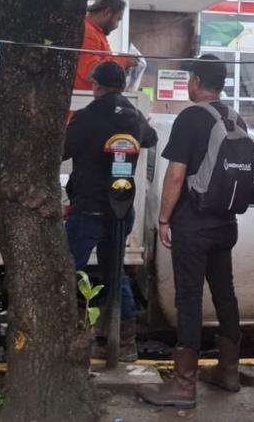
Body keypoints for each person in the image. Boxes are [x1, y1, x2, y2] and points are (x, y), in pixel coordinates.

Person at [140, 54, 247, 409]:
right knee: (224, 294)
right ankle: (228, 371)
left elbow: (175, 174)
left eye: (190, 79)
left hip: (193, 223)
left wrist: (165, 219)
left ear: (198, 82)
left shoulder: (190, 117)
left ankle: (184, 386)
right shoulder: (235, 116)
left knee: (188, 298)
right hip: (224, 222)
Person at [63, 61, 158, 362]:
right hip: (120, 208)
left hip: (88, 207)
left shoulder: (87, 117)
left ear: (97, 86)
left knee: (66, 270)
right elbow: (151, 139)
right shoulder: (134, 116)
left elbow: (62, 150)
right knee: (115, 273)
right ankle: (125, 343)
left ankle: (67, 332)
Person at [74, 0, 137, 91]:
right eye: (118, 19)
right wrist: (122, 62)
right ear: (107, 12)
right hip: (84, 99)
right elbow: (90, 72)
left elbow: (104, 63)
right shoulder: (88, 32)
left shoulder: (97, 33)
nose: (116, 26)